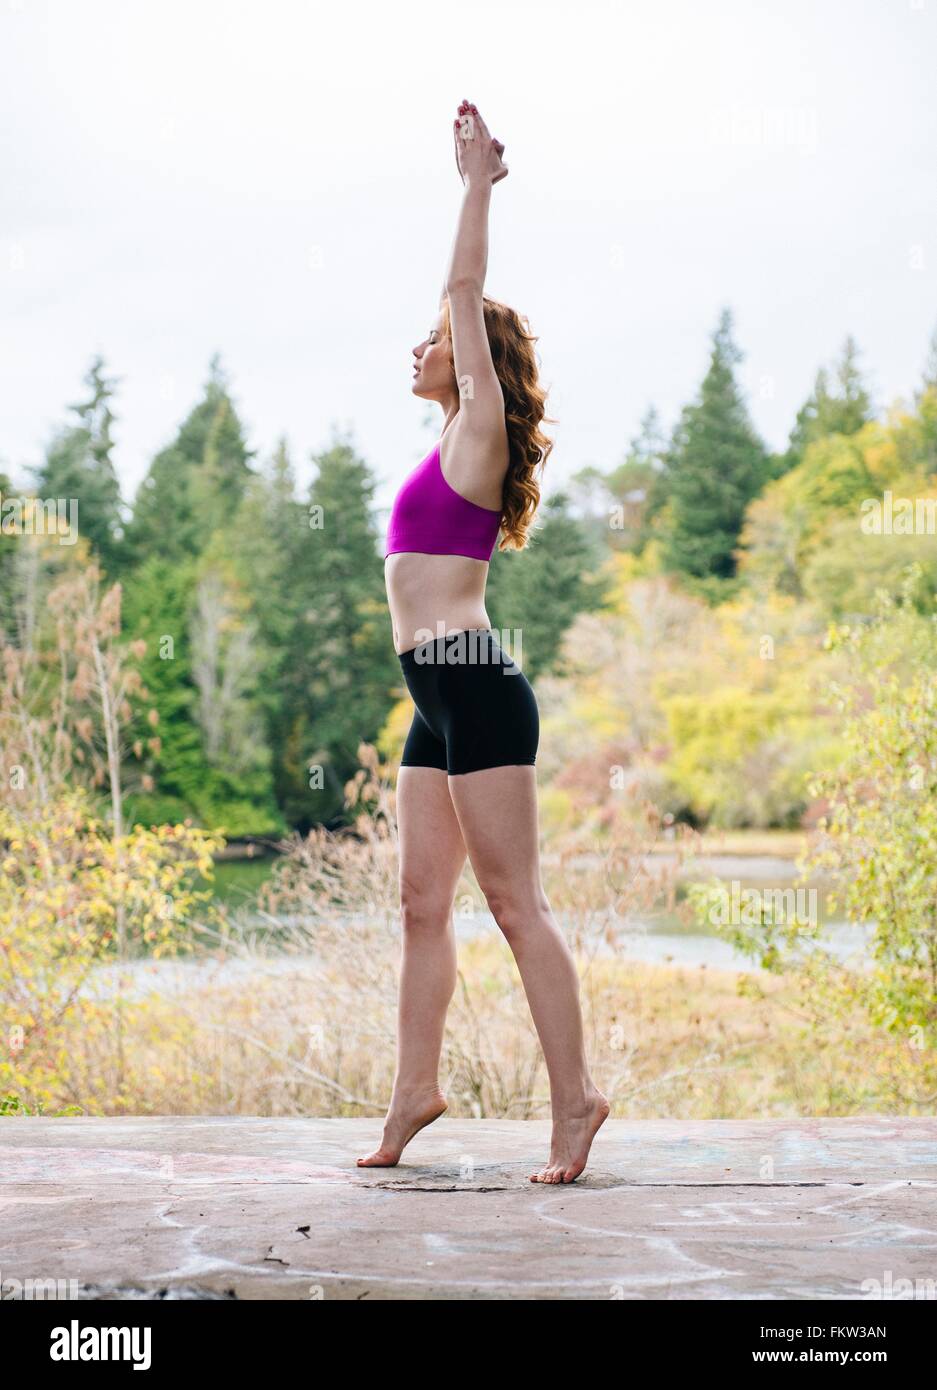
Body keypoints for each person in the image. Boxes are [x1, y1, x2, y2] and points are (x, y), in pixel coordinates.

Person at [358, 99, 608, 1184]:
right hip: (434, 694)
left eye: (438, 341)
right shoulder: (441, 447)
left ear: (472, 365)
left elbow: (460, 292)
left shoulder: (477, 427)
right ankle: (415, 1089)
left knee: (515, 905)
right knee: (422, 903)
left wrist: (475, 181)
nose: (420, 343)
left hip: (475, 683)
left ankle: (577, 1100)